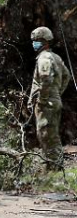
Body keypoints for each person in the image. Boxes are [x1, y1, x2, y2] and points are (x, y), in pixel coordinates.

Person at [29, 26, 70, 170]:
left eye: (37, 40)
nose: (34, 43)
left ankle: (55, 169)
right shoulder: (56, 58)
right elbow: (66, 76)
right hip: (54, 100)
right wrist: (58, 93)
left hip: (47, 103)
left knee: (48, 135)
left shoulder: (44, 58)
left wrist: (43, 99)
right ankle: (52, 167)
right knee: (49, 134)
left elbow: (45, 79)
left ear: (45, 41)